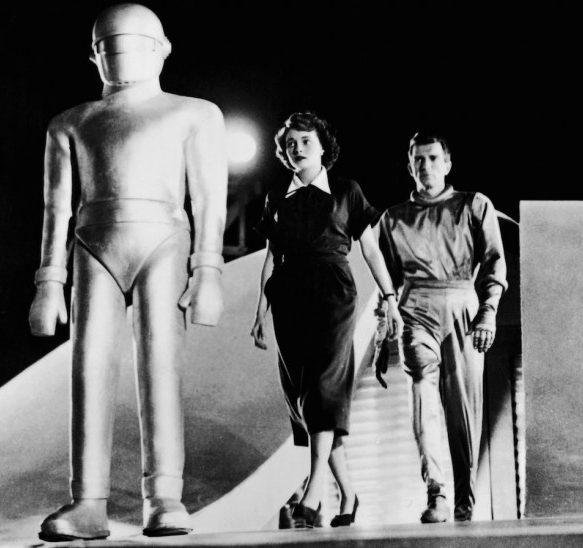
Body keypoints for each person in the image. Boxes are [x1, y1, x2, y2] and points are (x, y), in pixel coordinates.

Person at [27, 3, 227, 541]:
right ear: (94, 57)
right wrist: (48, 281)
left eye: (135, 45)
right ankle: (87, 502)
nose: (123, 57)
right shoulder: (71, 123)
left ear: (163, 50)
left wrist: (208, 268)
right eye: (110, 48)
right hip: (93, 241)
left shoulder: (194, 114)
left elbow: (210, 197)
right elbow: (55, 207)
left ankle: (163, 496)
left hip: (163, 239)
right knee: (89, 368)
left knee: (161, 367)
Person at [250, 111, 403, 528]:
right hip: (288, 298)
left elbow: (371, 249)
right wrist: (261, 312)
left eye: (305, 141)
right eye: (290, 143)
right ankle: (349, 494)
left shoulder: (347, 191)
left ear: (323, 148)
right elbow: (271, 258)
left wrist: (390, 298)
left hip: (333, 294)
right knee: (305, 399)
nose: (296, 148)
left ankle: (315, 488)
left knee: (323, 387)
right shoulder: (276, 198)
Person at [377, 132, 507, 523]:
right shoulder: (393, 218)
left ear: (447, 164)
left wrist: (489, 311)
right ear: (409, 166)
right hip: (415, 307)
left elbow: (494, 260)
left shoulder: (474, 205)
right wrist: (383, 335)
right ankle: (436, 492)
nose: (426, 166)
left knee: (463, 409)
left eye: (433, 158)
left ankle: (465, 501)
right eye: (418, 159)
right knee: (422, 392)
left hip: (462, 305)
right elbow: (386, 285)